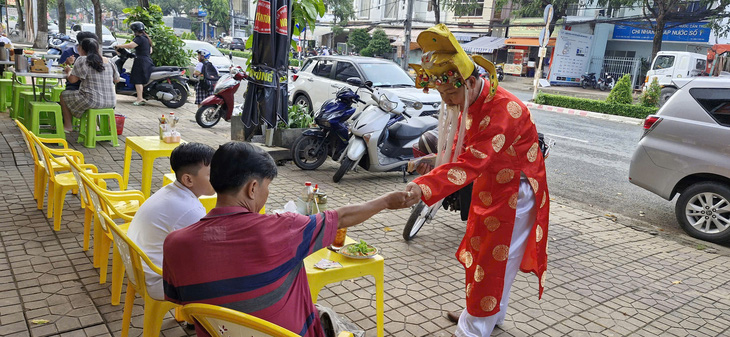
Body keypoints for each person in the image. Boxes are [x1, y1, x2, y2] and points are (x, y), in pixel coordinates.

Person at [163, 142, 416, 337]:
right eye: (267, 186)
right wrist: (385, 201)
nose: (266, 193)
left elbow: (180, 302)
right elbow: (341, 217)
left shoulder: (174, 244)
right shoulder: (283, 229)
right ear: (252, 188)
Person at [404, 24, 550, 337]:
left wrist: (424, 187)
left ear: (470, 82)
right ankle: (483, 313)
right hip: (491, 183)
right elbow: (462, 152)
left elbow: (471, 161)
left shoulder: (502, 110)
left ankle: (473, 328)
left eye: (451, 93)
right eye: (443, 95)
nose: (449, 101)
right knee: (483, 251)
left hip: (515, 192)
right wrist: (429, 165)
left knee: (496, 258)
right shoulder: (472, 102)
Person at [126, 142, 215, 300]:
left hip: (139, 269)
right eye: (211, 174)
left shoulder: (170, 190)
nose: (219, 177)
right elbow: (206, 250)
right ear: (188, 180)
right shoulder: (191, 209)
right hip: (158, 281)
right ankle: (198, 320)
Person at [60, 39, 120, 132]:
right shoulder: (110, 61)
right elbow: (117, 79)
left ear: (82, 49)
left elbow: (72, 80)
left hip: (92, 101)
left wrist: (69, 71)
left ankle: (68, 126)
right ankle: (104, 129)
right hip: (111, 102)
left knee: (63, 95)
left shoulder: (82, 60)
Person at [115, 21, 153, 106]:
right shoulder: (146, 38)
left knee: (137, 79)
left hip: (141, 61)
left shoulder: (139, 38)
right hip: (147, 60)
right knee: (140, 79)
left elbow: (131, 46)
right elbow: (150, 51)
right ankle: (140, 97)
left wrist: (119, 46)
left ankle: (140, 98)